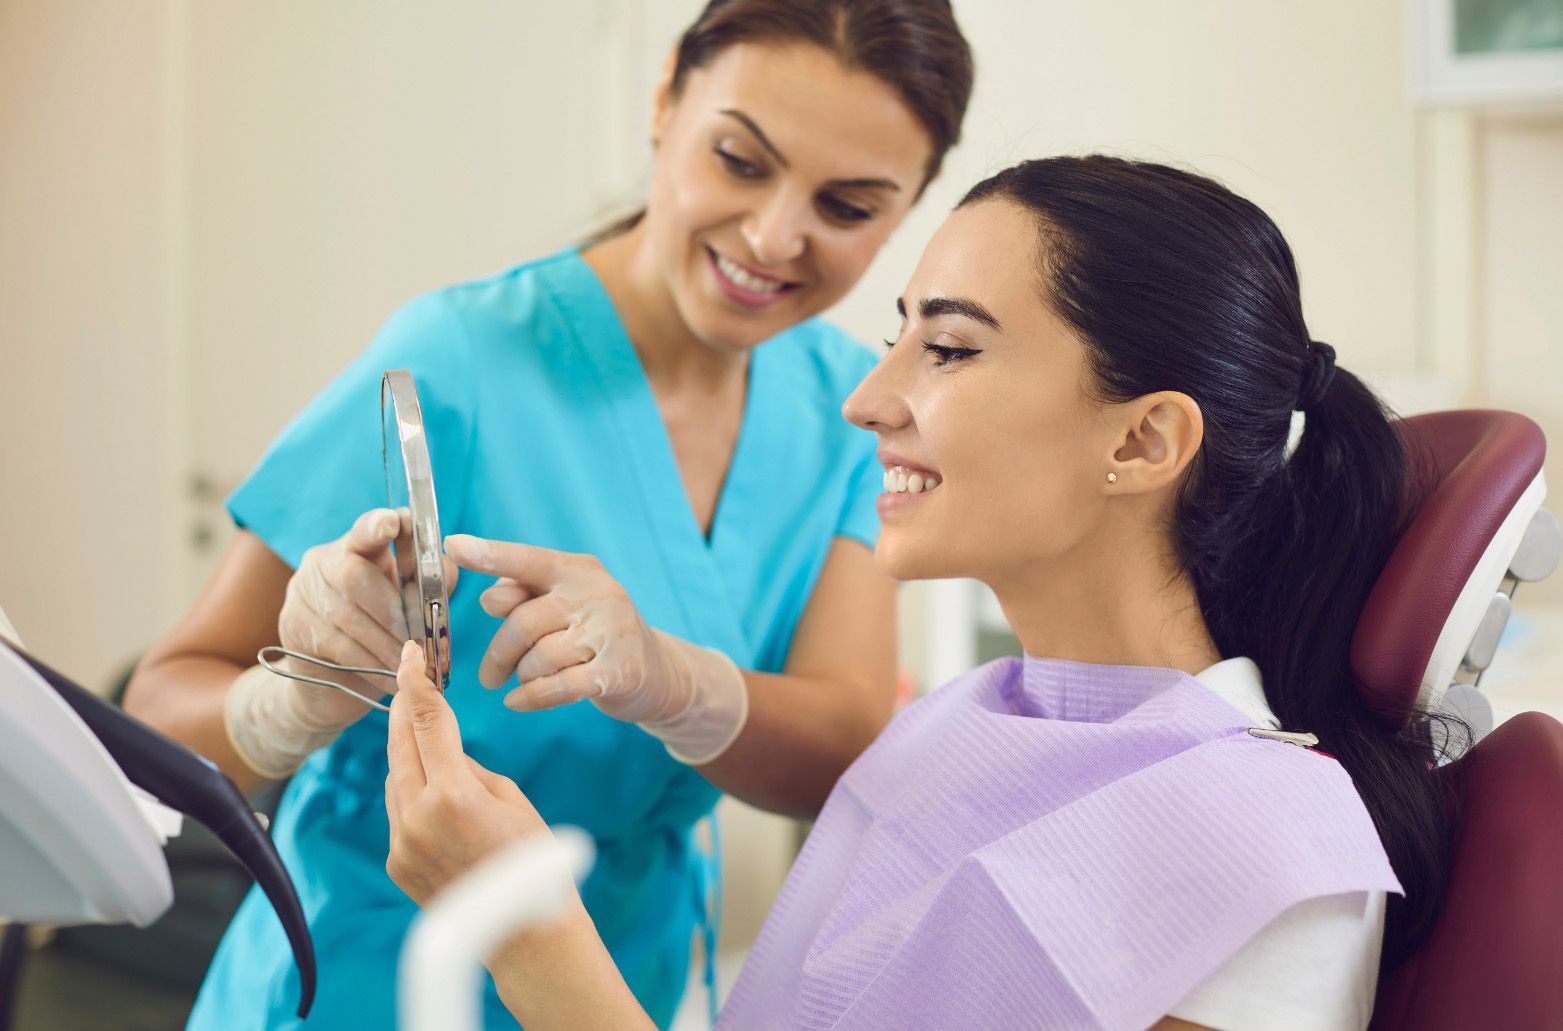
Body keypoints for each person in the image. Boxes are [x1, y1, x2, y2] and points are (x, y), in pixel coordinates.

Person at [381, 155, 1459, 1030]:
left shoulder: (1264, 848)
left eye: (945, 347)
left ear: (1143, 438)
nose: (867, 398)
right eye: (900, 333)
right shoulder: (960, 726)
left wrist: (529, 935)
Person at [122, 2, 975, 1026]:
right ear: (665, 99)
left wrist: (677, 683)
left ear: (912, 205)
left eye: (847, 206)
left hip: (621, 979)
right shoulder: (456, 359)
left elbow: (843, 744)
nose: (772, 235)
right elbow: (157, 712)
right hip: (367, 976)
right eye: (741, 161)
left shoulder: (852, 407)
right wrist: (291, 702)